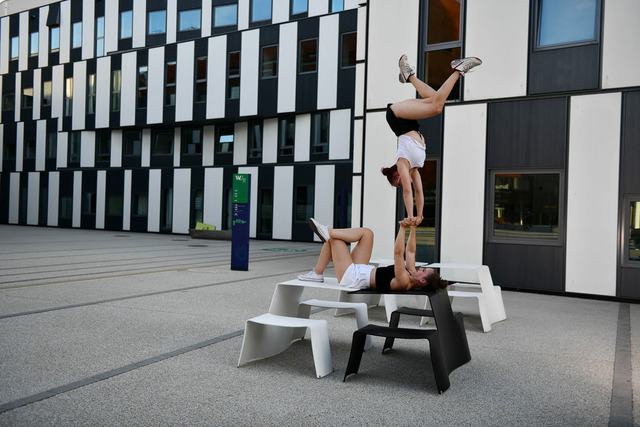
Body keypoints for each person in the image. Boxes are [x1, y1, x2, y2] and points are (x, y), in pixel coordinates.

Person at [382, 55, 482, 223]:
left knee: (436, 106)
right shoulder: (415, 169)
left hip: (396, 117)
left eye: (398, 183)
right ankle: (409, 76)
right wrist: (420, 215)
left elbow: (408, 192)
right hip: (407, 123)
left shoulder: (402, 163)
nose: (402, 185)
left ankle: (458, 70)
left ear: (396, 174)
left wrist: (409, 216)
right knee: (436, 100)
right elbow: (418, 192)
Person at [298, 218, 448, 292]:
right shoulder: (411, 272)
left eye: (423, 271)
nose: (420, 269)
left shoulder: (404, 282)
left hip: (352, 277)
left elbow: (398, 253)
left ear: (422, 281)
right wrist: (413, 228)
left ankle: (317, 272)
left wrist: (402, 228)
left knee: (335, 239)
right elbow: (410, 251)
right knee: (367, 233)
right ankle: (327, 232)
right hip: (362, 269)